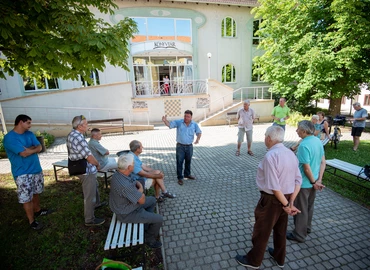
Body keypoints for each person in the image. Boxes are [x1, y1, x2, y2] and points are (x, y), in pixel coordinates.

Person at [235, 126, 302, 269]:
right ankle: (279, 257)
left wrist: (287, 206)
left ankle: (254, 261)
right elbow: (298, 180)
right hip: (287, 197)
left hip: (272, 200)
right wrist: (290, 202)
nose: (265, 138)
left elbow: (274, 186)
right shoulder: (291, 154)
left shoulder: (271, 156)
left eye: (265, 135)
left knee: (261, 230)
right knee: (280, 230)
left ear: (269, 139)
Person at [3, 114, 52, 230]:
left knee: (36, 192)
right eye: (28, 123)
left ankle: (38, 210)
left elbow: (40, 147)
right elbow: (23, 154)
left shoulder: (29, 134)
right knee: (26, 197)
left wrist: (30, 149)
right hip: (22, 173)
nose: (30, 125)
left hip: (36, 169)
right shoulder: (10, 138)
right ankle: (32, 221)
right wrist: (32, 149)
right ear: (21, 122)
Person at [109, 154, 163, 249]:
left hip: (126, 205)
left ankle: (146, 223)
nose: (134, 165)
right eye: (133, 163)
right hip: (127, 213)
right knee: (159, 219)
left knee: (152, 200)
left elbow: (133, 182)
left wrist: (137, 184)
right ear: (129, 167)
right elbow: (141, 201)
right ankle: (149, 239)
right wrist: (141, 188)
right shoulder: (125, 185)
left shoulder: (118, 174)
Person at [287, 120, 326, 243]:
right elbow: (323, 161)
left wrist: (314, 182)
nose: (296, 131)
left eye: (298, 129)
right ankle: (307, 228)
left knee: (301, 208)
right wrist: (319, 180)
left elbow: (306, 167)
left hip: (304, 183)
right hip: (313, 182)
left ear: (304, 131)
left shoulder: (304, 145)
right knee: (309, 206)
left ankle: (299, 234)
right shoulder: (317, 141)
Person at [67, 115, 106, 226]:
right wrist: (97, 164)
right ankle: (89, 219)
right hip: (85, 170)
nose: (88, 125)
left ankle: (97, 204)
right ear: (80, 126)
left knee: (95, 186)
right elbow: (88, 157)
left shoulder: (73, 134)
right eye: (86, 124)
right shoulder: (78, 137)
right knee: (89, 195)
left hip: (85, 168)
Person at [162, 110, 202, 186]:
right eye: (185, 116)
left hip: (189, 146)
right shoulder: (179, 122)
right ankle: (180, 178)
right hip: (180, 146)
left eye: (188, 116)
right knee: (179, 162)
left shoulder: (194, 124)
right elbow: (170, 125)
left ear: (191, 117)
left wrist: (197, 139)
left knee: (188, 161)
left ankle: (187, 174)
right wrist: (165, 121)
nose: (186, 118)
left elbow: (199, 132)